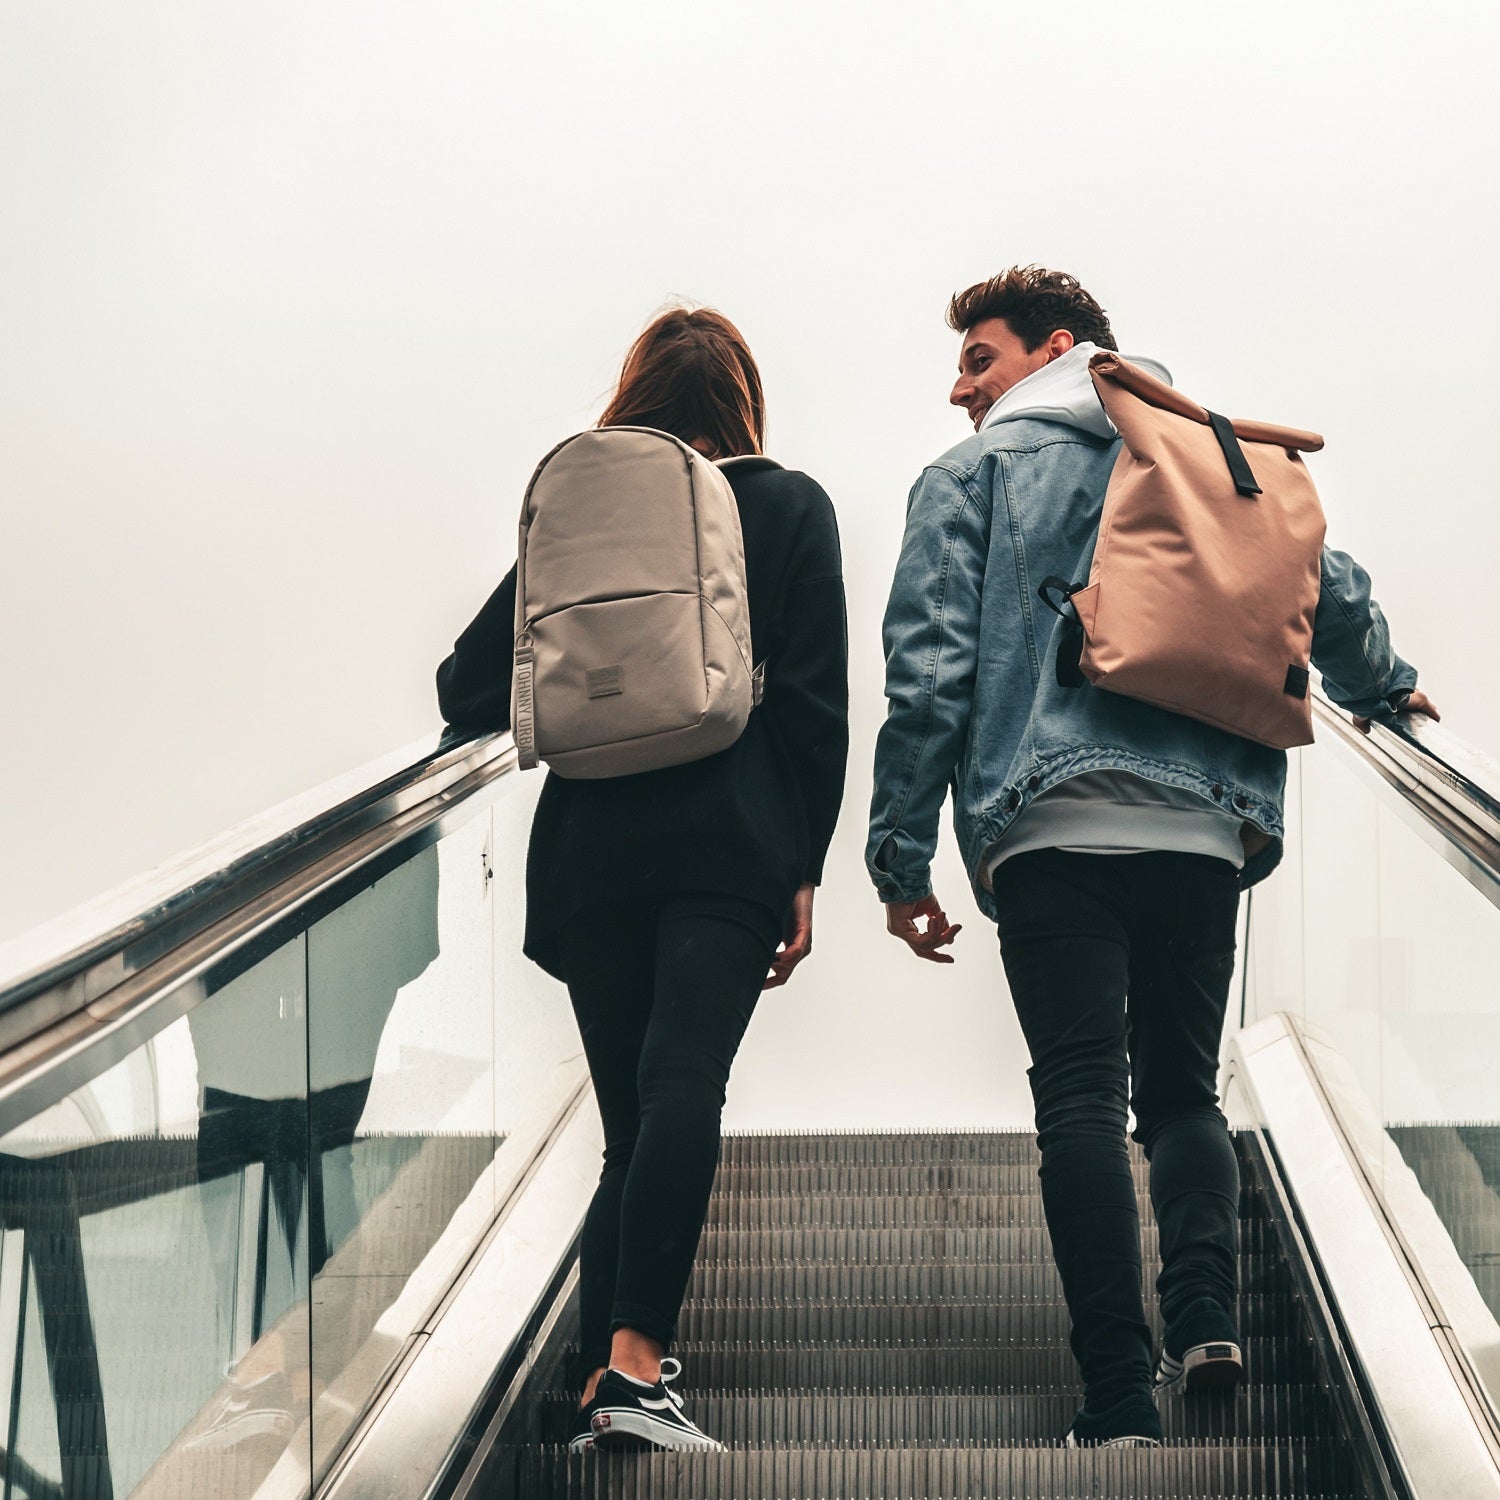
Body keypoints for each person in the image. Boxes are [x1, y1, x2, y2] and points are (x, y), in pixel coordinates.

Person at [866, 266, 1438, 1449]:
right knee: (1181, 1090)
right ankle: (1209, 1318)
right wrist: (1387, 687)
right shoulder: (1210, 453)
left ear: (1056, 347)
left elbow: (927, 678)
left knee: (1079, 1096)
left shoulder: (970, 478)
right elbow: (1322, 582)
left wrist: (899, 858)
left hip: (1051, 825)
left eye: (980, 358)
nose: (959, 388)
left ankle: (1120, 1398)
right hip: (1203, 829)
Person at [436, 307, 849, 1452]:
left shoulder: (578, 526)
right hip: (728, 841)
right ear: (743, 402)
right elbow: (815, 703)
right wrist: (803, 865)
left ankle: (594, 1377)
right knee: (682, 1090)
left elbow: (468, 686)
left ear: (632, 398)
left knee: (634, 1117)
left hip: (588, 856)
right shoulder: (787, 504)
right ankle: (630, 1369)